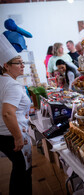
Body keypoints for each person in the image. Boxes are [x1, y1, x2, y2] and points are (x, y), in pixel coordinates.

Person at [0, 34, 32, 194]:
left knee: (19, 169)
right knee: (22, 172)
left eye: (22, 62)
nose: (22, 66)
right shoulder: (12, 84)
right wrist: (18, 137)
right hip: (12, 135)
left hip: (4, 135)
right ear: (6, 65)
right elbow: (7, 113)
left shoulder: (3, 80)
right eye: (18, 63)